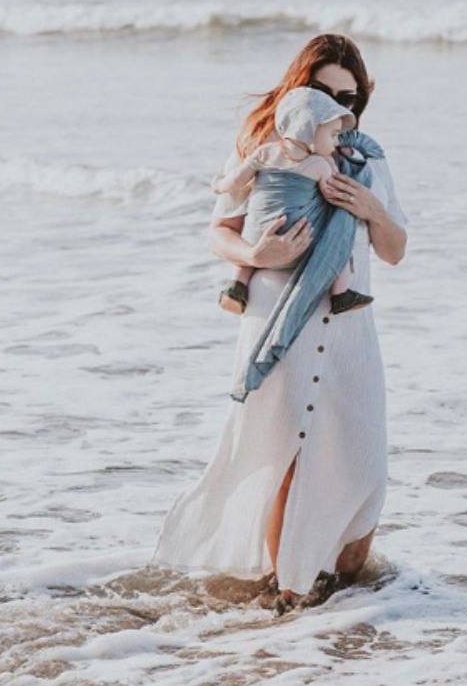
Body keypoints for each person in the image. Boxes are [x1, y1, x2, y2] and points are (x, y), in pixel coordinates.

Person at [150, 33, 409, 616]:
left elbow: (394, 250)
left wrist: (367, 208)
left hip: (348, 326)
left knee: (363, 468)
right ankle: (289, 598)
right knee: (284, 454)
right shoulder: (261, 144)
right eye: (322, 89)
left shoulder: (368, 159)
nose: (337, 104)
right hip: (275, 317)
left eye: (351, 96)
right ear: (298, 86)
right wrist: (257, 257)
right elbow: (219, 228)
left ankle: (343, 589)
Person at [212, 85, 375, 319]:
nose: (335, 143)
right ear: (308, 128)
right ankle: (341, 293)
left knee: (253, 228)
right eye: (332, 135)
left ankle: (237, 286)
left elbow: (236, 181)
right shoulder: (318, 165)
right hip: (300, 246)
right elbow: (332, 196)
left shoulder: (264, 153)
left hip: (261, 245)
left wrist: (219, 185)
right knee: (341, 240)